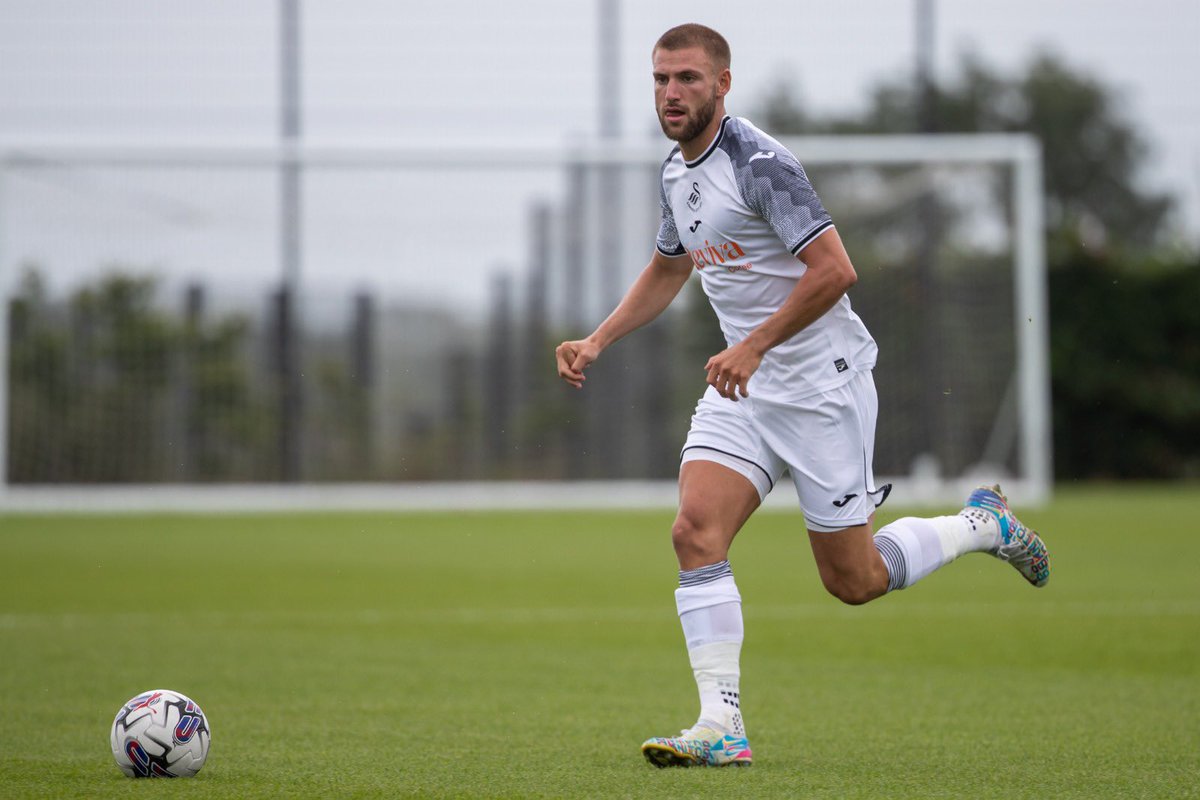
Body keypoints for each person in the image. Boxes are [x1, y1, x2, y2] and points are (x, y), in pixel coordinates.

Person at [554, 22, 1050, 769]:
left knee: (854, 582)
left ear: (723, 83)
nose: (671, 93)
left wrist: (754, 343)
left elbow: (835, 270)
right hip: (744, 391)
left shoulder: (759, 164)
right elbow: (669, 268)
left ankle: (983, 525)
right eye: (660, 79)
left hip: (822, 389)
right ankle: (720, 724)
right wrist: (599, 339)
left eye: (687, 78)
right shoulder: (675, 174)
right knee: (694, 531)